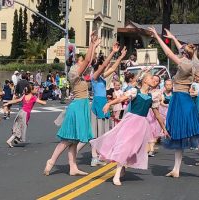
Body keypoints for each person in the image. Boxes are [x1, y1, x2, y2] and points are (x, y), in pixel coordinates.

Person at [149, 27, 199, 180]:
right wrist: (173, 37)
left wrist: (156, 36)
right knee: (184, 134)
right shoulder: (195, 64)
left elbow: (168, 52)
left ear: (184, 53)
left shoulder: (183, 63)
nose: (179, 51)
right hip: (185, 99)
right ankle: (178, 169)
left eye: (181, 50)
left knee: (190, 133)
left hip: (179, 99)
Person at [90, 73, 168, 186]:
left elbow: (157, 114)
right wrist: (109, 104)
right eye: (151, 78)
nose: (154, 80)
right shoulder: (135, 91)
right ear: (145, 81)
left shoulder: (153, 97)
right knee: (125, 146)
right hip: (131, 121)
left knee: (133, 149)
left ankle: (122, 169)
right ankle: (116, 175)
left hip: (141, 125)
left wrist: (164, 128)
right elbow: (121, 98)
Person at [43, 31, 100, 176]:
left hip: (82, 105)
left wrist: (93, 46)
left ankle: (73, 167)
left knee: (74, 140)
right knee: (68, 139)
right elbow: (88, 60)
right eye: (81, 61)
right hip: (77, 107)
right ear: (76, 63)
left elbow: (89, 60)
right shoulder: (74, 73)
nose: (84, 63)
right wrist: (91, 43)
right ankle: (51, 161)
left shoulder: (79, 73)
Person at [84, 44, 126, 167]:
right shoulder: (95, 77)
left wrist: (121, 57)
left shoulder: (101, 77)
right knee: (97, 132)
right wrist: (112, 53)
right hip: (98, 102)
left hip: (102, 101)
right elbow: (104, 66)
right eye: (103, 67)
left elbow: (112, 69)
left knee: (101, 132)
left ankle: (97, 156)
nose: (105, 67)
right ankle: (94, 157)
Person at [146, 75, 162, 157]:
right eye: (153, 79)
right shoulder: (145, 89)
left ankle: (151, 149)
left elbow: (159, 102)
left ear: (159, 83)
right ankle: (147, 149)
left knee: (152, 130)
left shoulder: (159, 91)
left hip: (153, 112)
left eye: (156, 81)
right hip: (145, 111)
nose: (154, 81)